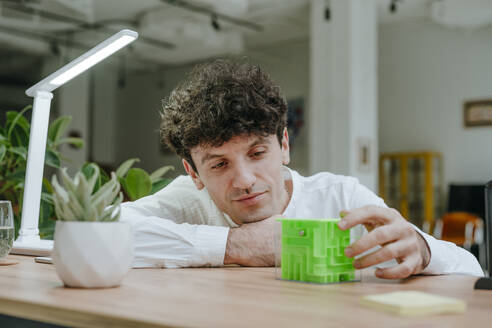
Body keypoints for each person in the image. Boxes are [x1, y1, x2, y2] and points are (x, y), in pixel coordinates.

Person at [120, 59, 483, 279]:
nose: (244, 180)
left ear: (285, 146)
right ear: (193, 172)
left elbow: (473, 271)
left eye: (258, 153)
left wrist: (422, 249)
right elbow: (99, 230)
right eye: (219, 164)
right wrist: (234, 245)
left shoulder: (341, 198)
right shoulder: (187, 199)